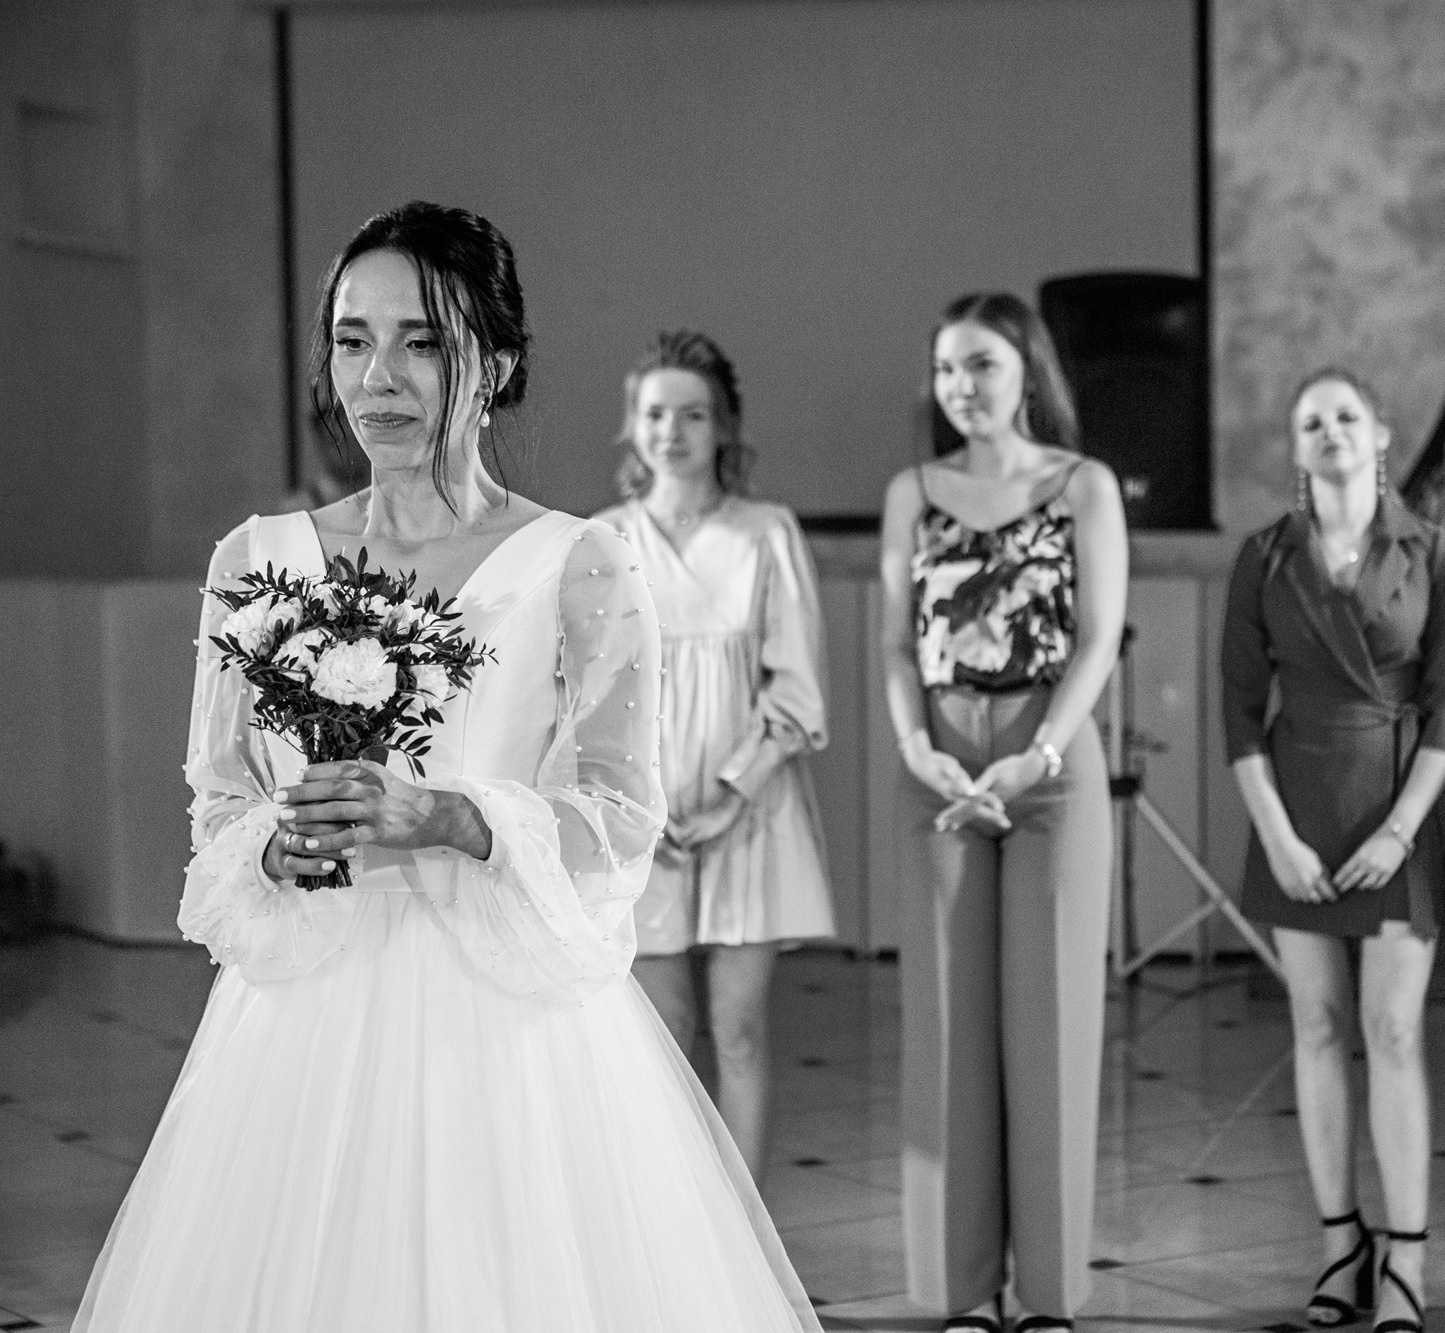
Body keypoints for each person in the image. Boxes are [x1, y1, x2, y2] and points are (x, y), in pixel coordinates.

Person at [71, 202, 820, 1332]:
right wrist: (275, 837)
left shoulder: (581, 561)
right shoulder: (255, 561)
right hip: (303, 1022)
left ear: (497, 363)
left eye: (423, 339)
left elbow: (622, 814)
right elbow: (218, 801)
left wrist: (455, 817)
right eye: (352, 337)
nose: (380, 375)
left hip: (506, 1022)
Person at [878, 292, 1127, 1333]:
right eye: (945, 370)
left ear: (1026, 367)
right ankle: (961, 1293)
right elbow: (894, 643)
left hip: (1050, 767)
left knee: (1050, 1028)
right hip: (937, 761)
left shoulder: (1082, 485)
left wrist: (1035, 754)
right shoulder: (911, 490)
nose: (961, 388)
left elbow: (1098, 639)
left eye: (980, 365)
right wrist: (917, 749)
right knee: (943, 1026)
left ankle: (1051, 1299)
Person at [1220, 367, 1445, 1333]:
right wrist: (1278, 836)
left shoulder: (1431, 550)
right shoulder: (1263, 558)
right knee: (1319, 1030)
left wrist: (1404, 826)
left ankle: (1408, 1257)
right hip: (1299, 812)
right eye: (1310, 421)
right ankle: (1341, 1244)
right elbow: (1239, 713)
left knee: (1395, 1031)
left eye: (1345, 417)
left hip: (1397, 812)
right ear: (1295, 448)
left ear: (1381, 436)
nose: (1328, 431)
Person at [596, 329, 835, 1184]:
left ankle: (743, 1250)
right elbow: (587, 697)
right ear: (633, 426)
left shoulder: (767, 532)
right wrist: (636, 803)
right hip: (641, 819)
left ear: (725, 427)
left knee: (740, 1029)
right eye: (656, 413)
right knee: (662, 1039)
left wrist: (736, 795)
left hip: (751, 812)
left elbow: (798, 686)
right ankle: (672, 1242)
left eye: (693, 414)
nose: (673, 430)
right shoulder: (603, 541)